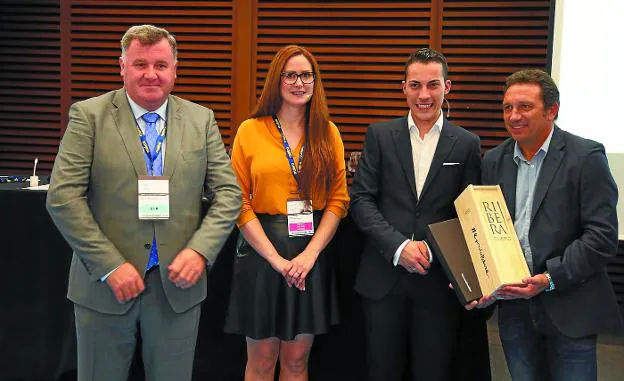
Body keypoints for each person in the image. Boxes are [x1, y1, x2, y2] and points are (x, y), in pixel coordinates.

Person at [46, 24, 241, 381]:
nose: (151, 74)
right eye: (140, 64)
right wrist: (109, 265)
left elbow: (229, 194)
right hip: (105, 285)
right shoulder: (89, 116)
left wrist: (200, 251)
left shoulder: (201, 119)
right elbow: (62, 197)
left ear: (175, 69)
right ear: (122, 67)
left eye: (161, 65)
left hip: (177, 287)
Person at [470, 69, 623, 381]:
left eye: (525, 106)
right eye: (507, 107)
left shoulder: (586, 156)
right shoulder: (493, 161)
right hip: (515, 310)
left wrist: (549, 278)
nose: (513, 116)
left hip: (570, 305)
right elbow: (487, 231)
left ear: (552, 110)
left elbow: (602, 235)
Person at [349, 48, 484, 381]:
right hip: (383, 275)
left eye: (433, 85)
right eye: (416, 85)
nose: (424, 95)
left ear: (447, 87)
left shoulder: (466, 143)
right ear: (404, 88)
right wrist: (399, 247)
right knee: (381, 371)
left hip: (438, 280)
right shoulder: (379, 135)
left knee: (433, 371)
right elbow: (361, 200)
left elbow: (467, 213)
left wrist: (431, 250)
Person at [224, 45, 349, 381]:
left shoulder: (328, 133)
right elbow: (238, 201)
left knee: (296, 362)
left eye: (306, 75)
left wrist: (309, 255)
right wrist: (276, 261)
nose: (299, 82)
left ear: (315, 81)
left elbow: (338, 200)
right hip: (261, 255)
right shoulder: (250, 131)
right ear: (276, 80)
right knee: (262, 362)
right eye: (290, 75)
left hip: (310, 255)